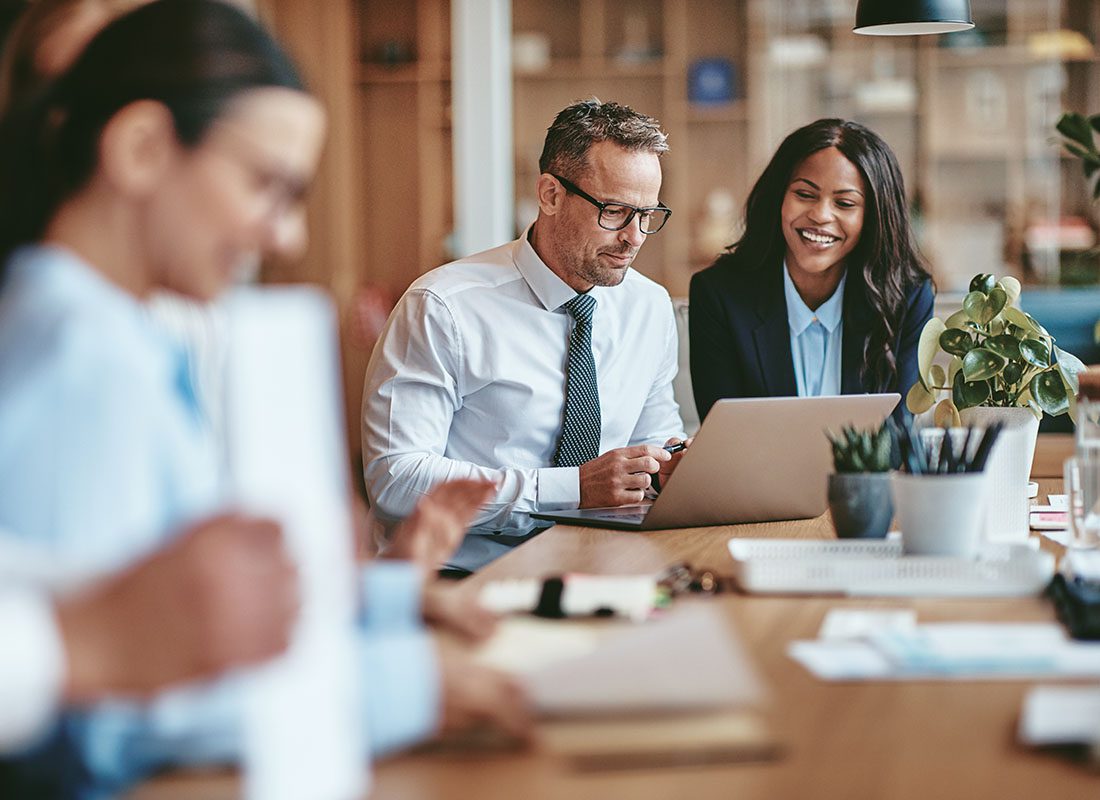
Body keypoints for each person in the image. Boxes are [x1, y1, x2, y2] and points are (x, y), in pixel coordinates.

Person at [0, 0, 527, 794]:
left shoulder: (117, 333)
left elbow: (172, 608)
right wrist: (399, 691)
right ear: (142, 148)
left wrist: (380, 603)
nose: (289, 239)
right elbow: (113, 687)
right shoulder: (83, 357)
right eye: (266, 186)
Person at [362, 98, 691, 574]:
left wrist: (672, 464)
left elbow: (654, 436)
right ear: (551, 194)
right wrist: (570, 490)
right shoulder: (443, 307)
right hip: (458, 577)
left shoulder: (649, 306)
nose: (635, 237)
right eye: (616, 212)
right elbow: (396, 480)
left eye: (648, 215)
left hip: (599, 570)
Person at [688, 118, 934, 423]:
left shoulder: (907, 298)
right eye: (804, 195)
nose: (820, 215)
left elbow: (898, 438)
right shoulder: (718, 295)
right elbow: (724, 434)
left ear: (873, 217)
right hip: (761, 473)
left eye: (845, 203)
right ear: (779, 197)